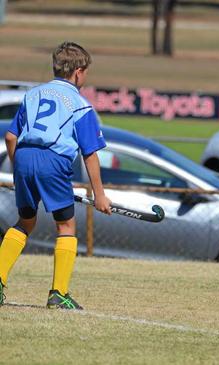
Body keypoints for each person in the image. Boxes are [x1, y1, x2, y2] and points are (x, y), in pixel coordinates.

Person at [0, 41, 112, 309]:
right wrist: (100, 195)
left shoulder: (33, 94)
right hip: (53, 159)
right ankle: (58, 293)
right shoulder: (80, 104)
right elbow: (90, 154)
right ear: (78, 72)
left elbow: (10, 136)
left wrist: (21, 172)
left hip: (24, 156)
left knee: (25, 222)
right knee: (66, 226)